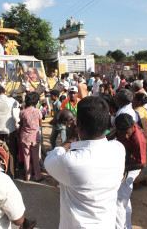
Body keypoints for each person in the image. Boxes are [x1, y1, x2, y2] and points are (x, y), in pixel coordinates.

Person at [45, 96, 125, 228]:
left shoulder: (70, 162)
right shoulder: (118, 149)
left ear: (79, 125)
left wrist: (70, 138)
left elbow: (50, 159)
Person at [113, 113, 147, 229]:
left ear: (132, 127)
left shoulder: (138, 139)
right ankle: (127, 226)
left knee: (119, 200)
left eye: (128, 133)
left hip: (133, 166)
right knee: (124, 199)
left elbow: (142, 164)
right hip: (126, 161)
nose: (127, 137)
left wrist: (123, 169)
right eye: (123, 134)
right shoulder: (123, 127)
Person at [0, 86, 19, 173]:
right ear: (4, 92)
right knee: (11, 151)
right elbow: (17, 107)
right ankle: (11, 172)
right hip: (10, 129)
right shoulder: (12, 100)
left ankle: (0, 170)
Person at [19, 92, 43, 182]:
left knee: (26, 157)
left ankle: (27, 176)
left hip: (25, 136)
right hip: (35, 137)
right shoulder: (38, 111)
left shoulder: (22, 112)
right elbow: (40, 123)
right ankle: (37, 176)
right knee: (36, 157)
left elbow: (21, 123)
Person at [132, 93, 147, 184]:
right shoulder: (145, 109)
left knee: (138, 157)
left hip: (140, 136)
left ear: (139, 101)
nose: (133, 101)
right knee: (145, 157)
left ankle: (138, 178)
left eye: (134, 99)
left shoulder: (136, 112)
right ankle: (144, 177)